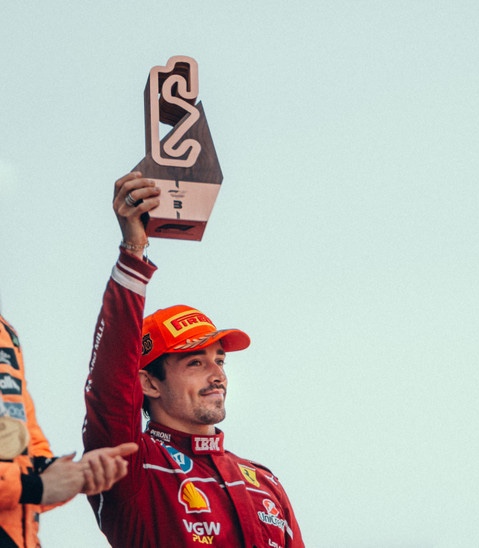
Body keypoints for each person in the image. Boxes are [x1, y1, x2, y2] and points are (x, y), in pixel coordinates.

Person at [82, 172, 304, 547]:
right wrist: (134, 252)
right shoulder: (133, 466)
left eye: (220, 360)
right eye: (195, 363)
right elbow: (111, 385)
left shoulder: (264, 482)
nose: (217, 375)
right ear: (149, 382)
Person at [0, 313, 138, 548]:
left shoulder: (5, 329)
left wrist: (71, 474)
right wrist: (35, 487)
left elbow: (24, 449)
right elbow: (28, 485)